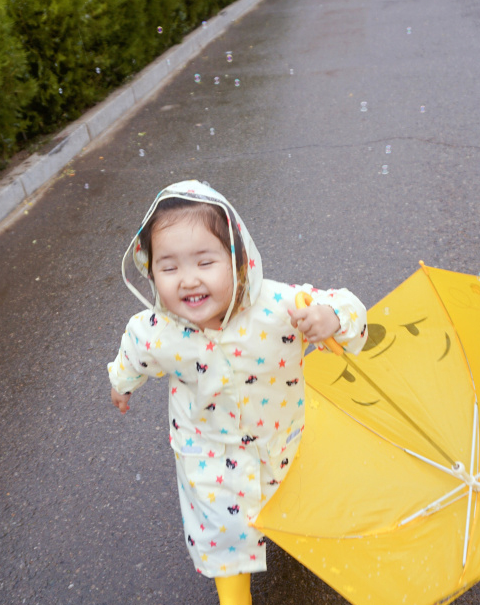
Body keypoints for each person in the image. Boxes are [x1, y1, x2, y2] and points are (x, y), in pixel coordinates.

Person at [107, 181, 368, 605]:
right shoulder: (156, 330)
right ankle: (234, 596)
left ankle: (297, 536)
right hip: (206, 449)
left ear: (239, 261)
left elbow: (350, 305)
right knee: (224, 532)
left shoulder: (279, 307)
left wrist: (331, 316)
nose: (188, 279)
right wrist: (121, 386)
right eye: (169, 267)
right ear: (150, 270)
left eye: (205, 261)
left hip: (280, 438)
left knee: (290, 498)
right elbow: (132, 356)